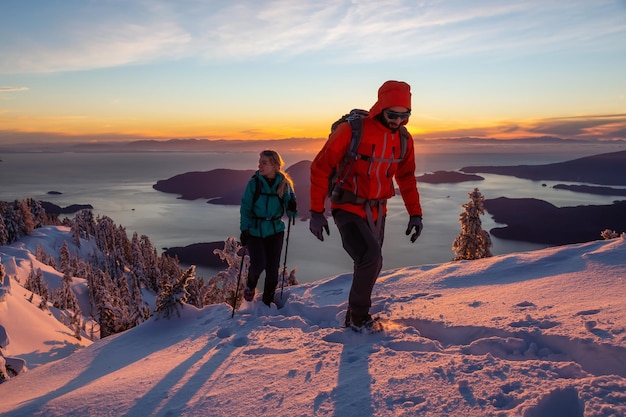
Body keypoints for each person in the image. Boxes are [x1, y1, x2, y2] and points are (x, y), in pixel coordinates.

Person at [309, 80, 424, 332]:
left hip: (378, 211)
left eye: (405, 116)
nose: (398, 121)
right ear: (380, 107)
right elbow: (321, 167)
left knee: (371, 262)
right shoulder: (352, 131)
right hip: (347, 206)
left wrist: (415, 214)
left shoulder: (404, 139)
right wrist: (317, 212)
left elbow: (406, 178)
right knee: (370, 258)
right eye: (393, 114)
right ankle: (359, 320)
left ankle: (353, 317)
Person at [240, 150, 297, 306]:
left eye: (264, 162)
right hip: (255, 230)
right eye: (260, 162)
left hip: (275, 231)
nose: (260, 165)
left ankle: (267, 302)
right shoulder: (254, 183)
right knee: (258, 264)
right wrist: (244, 229)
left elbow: (291, 210)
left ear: (274, 165)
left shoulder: (284, 184)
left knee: (273, 269)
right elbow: (246, 207)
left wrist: (292, 206)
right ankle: (250, 286)